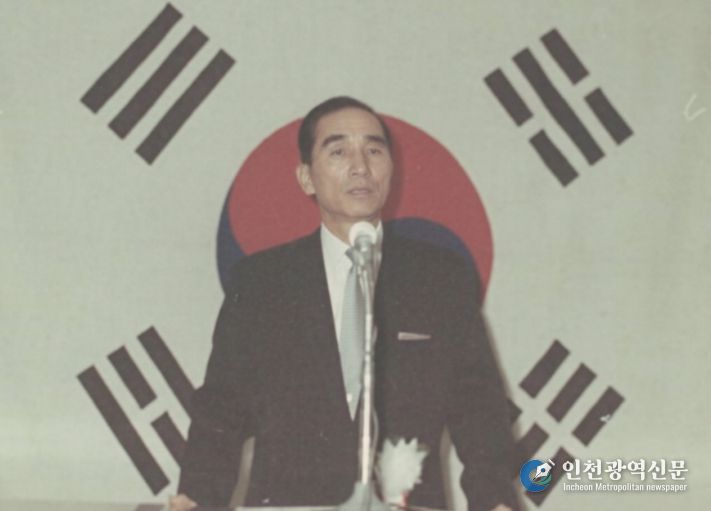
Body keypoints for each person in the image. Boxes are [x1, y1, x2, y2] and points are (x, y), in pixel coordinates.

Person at [172, 97, 519, 511]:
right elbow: (222, 410)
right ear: (306, 178)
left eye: (374, 150)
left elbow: (479, 411)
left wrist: (495, 501)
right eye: (338, 152)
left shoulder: (440, 279)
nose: (360, 166)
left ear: (391, 169)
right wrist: (196, 497)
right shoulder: (262, 283)